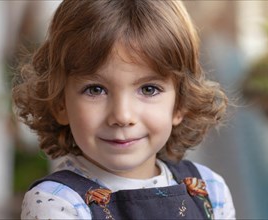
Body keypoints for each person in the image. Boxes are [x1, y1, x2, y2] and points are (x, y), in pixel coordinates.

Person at [13, 0, 235, 219]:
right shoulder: (57, 202)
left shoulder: (210, 189)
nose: (122, 116)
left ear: (180, 103)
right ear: (60, 103)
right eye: (96, 90)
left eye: (148, 89)